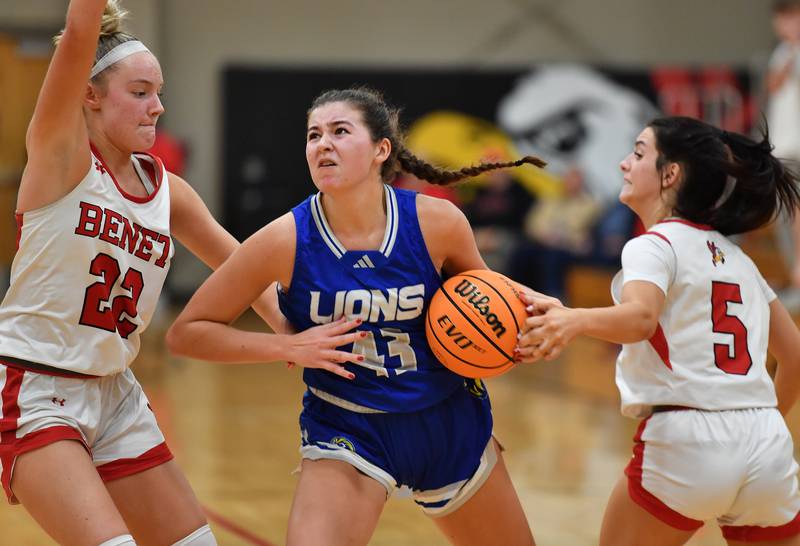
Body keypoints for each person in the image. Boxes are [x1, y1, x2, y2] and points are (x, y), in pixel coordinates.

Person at [0, 2, 357, 545]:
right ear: (89, 95)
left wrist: (291, 334)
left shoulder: (169, 192)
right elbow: (79, 30)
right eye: (140, 92)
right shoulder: (61, 156)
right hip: (35, 386)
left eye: (159, 93)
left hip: (116, 392)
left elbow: (241, 267)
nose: (157, 107)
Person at [166, 87, 545, 546]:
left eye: (340, 131)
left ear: (380, 150)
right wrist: (287, 346)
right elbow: (187, 333)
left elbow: (487, 295)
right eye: (313, 135)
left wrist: (548, 315)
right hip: (349, 427)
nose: (322, 144)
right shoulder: (284, 239)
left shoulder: (437, 222)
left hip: (448, 418)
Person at [517, 116, 800, 545]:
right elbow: (795, 356)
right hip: (766, 443)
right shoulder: (741, 260)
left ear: (671, 174)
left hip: (688, 440)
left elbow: (640, 319)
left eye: (638, 153)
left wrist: (573, 319)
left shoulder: (653, 245)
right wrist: (757, 426)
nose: (623, 164)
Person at [767, 0, 800, 288]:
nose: (784, 26)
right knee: (787, 212)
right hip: (785, 145)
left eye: (790, 18)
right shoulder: (783, 52)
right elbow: (773, 84)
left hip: (797, 147)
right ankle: (795, 273)